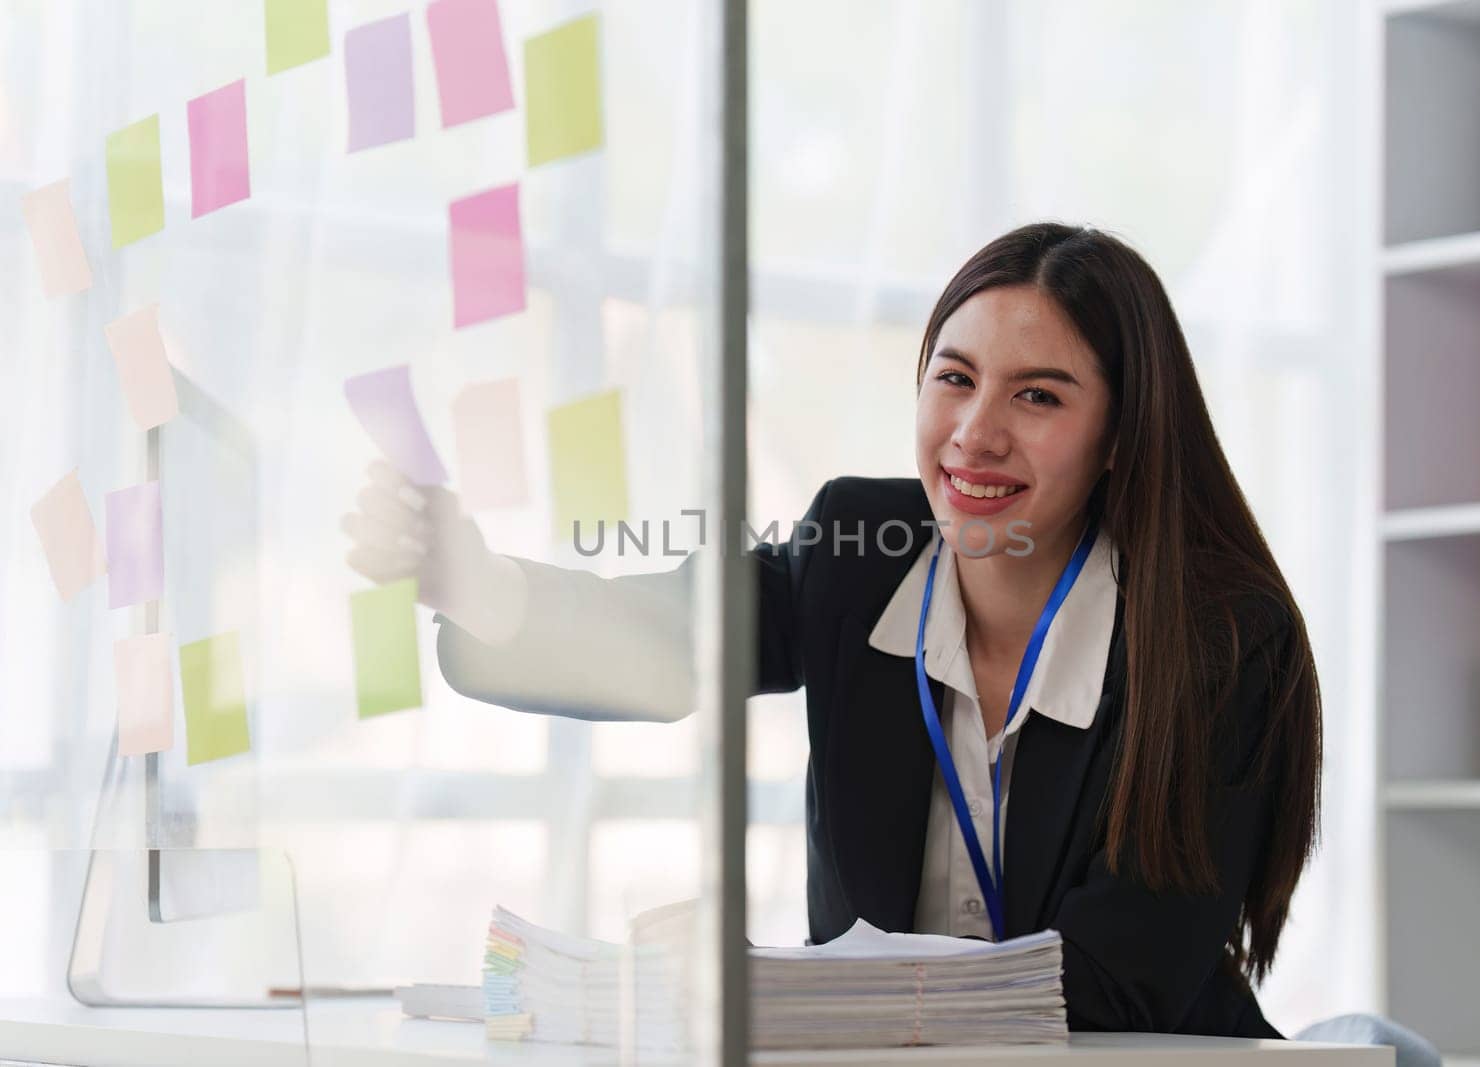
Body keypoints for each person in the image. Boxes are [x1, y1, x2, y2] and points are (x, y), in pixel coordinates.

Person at [343, 222, 1323, 1037]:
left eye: (1037, 395)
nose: (974, 431)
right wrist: (477, 585)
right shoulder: (861, 553)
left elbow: (1116, 981)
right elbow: (665, 641)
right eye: (953, 378)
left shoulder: (1220, 642)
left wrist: (792, 990)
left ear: (1119, 434)